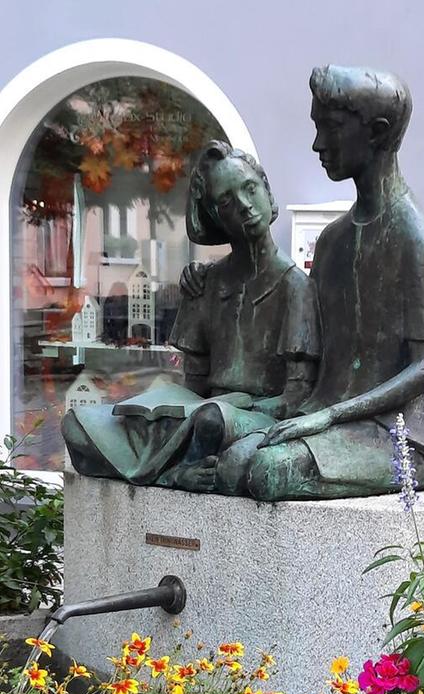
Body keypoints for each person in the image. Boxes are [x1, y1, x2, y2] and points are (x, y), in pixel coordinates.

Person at [246, 65, 424, 501]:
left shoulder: (417, 239)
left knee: (266, 470)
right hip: (324, 416)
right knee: (228, 454)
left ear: (376, 132)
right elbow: (311, 354)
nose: (318, 144)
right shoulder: (332, 241)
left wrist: (329, 417)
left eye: (332, 128)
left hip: (397, 438)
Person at [62, 141, 320, 493]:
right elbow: (193, 384)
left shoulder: (296, 287)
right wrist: (161, 410)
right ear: (215, 216)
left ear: (267, 191)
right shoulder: (205, 283)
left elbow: (297, 396)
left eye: (250, 189)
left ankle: (179, 472)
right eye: (227, 201)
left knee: (211, 419)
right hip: (197, 413)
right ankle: (173, 472)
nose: (245, 206)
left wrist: (236, 403)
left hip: (248, 417)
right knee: (77, 425)